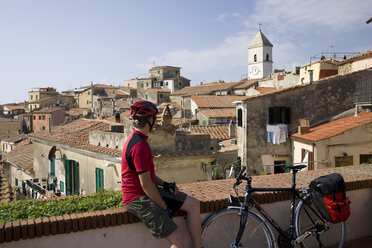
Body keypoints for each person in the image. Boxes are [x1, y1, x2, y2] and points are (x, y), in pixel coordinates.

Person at [121, 100, 203, 248]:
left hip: (144, 192)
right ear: (149, 120)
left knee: (193, 204)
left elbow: (147, 176)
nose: (156, 122)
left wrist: (165, 184)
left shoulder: (139, 141)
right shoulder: (139, 146)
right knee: (178, 239)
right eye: (155, 119)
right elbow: (146, 185)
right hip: (137, 198)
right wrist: (164, 207)